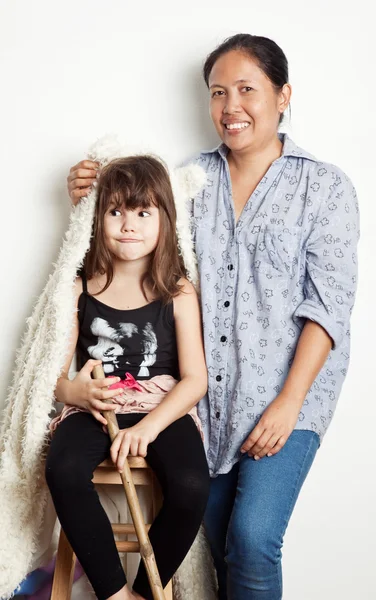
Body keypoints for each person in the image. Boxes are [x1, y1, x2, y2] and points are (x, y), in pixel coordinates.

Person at [67, 34, 360, 600]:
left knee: (253, 541)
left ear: (283, 96)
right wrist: (89, 190)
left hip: (287, 400)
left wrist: (288, 403)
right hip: (209, 403)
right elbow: (133, 220)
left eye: (247, 90)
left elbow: (328, 308)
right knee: (221, 547)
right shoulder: (188, 182)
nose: (231, 108)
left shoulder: (324, 187)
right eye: (218, 93)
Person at [46, 155, 210, 600]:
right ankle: (117, 595)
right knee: (62, 468)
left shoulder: (177, 291)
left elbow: (195, 380)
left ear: (165, 220)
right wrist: (75, 391)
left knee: (193, 485)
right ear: (97, 218)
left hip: (161, 408)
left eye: (143, 212)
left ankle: (145, 591)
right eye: (115, 211)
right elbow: (54, 377)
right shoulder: (80, 288)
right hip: (96, 407)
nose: (128, 225)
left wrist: (151, 427)